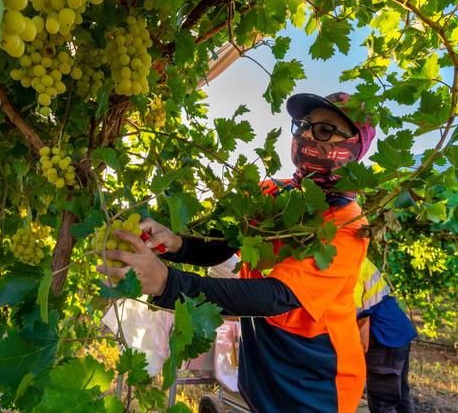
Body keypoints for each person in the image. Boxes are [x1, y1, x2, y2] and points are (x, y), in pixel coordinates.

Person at [97, 92, 377, 413]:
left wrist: (166, 283)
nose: (307, 135)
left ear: (354, 146)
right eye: (302, 126)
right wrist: (176, 243)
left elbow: (276, 296)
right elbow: (223, 242)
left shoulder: (347, 223)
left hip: (316, 384)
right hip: (262, 374)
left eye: (325, 131)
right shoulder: (271, 194)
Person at [355, 259, 417, 413]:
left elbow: (360, 316)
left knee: (382, 402)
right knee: (401, 394)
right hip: (397, 328)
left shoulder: (348, 263)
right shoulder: (361, 258)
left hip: (384, 337)